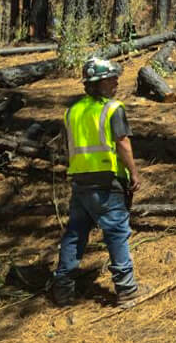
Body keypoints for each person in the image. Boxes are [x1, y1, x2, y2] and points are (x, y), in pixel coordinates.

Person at [52, 57, 146, 307]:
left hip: (80, 182)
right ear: (98, 83)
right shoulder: (112, 109)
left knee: (75, 234)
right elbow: (123, 144)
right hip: (107, 182)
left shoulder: (72, 111)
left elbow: (66, 145)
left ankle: (62, 289)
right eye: (111, 78)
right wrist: (134, 173)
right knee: (116, 233)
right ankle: (126, 291)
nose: (116, 81)